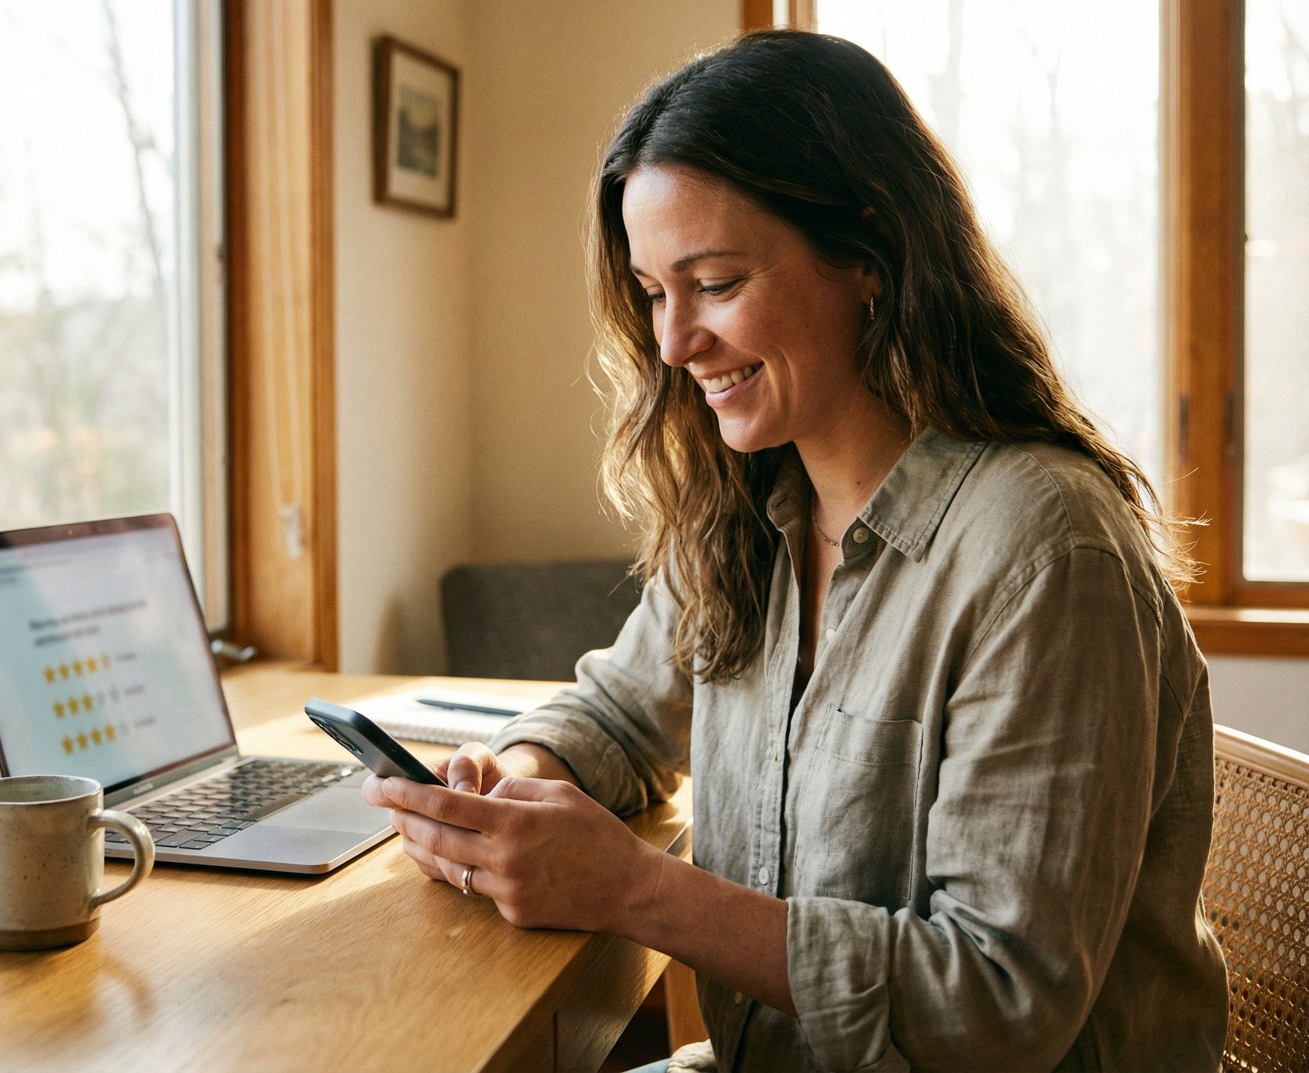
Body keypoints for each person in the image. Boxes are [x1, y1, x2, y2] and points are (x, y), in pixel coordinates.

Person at [364, 28, 1228, 1072]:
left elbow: (999, 1003)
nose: (675, 343)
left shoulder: (1045, 552)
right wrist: (507, 779)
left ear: (867, 255)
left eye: (715, 282)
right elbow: (617, 712)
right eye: (651, 293)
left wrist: (632, 886)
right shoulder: (753, 508)